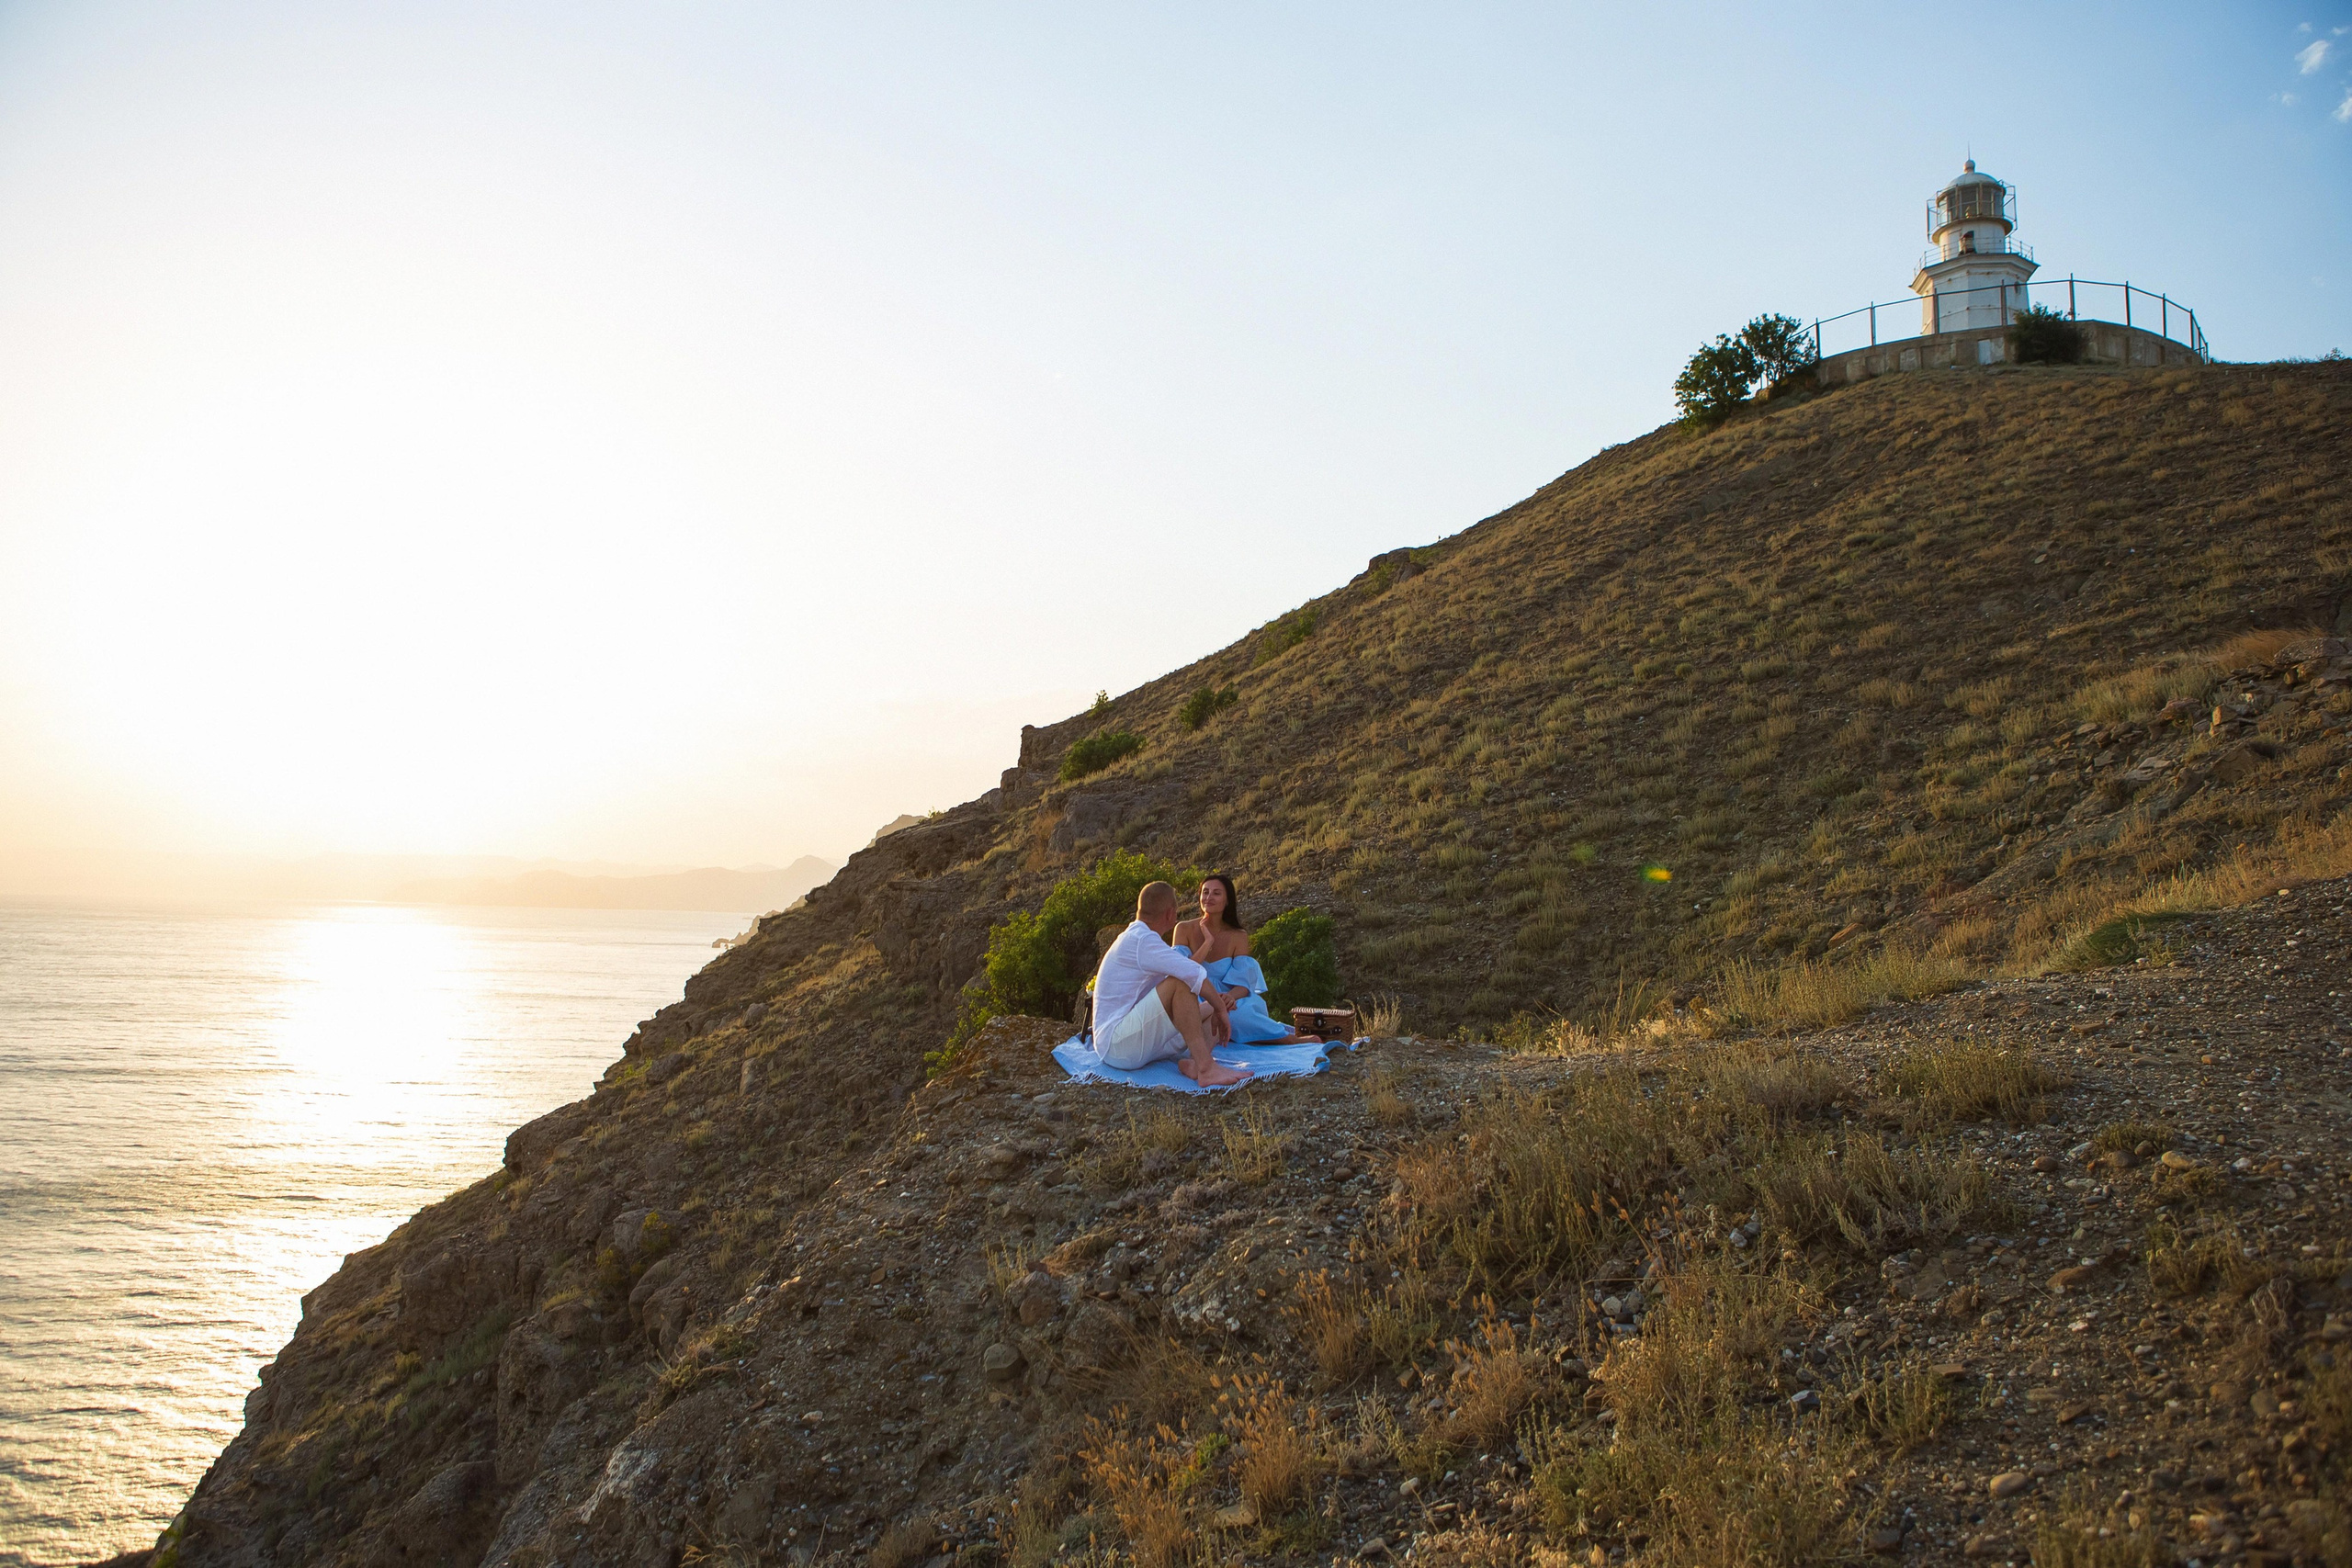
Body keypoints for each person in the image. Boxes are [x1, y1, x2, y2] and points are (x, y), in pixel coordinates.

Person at [1091, 881, 1253, 1087]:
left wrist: (1219, 1006)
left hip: (1132, 1040)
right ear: (1170, 914)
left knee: (1214, 1003)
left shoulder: (1144, 938)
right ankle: (1207, 1068)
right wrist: (1220, 1008)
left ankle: (1195, 1063)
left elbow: (1187, 967)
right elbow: (1190, 972)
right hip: (1117, 1045)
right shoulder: (1142, 940)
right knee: (1182, 984)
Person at [1171, 874, 1318, 1044]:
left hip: (1229, 999)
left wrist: (1229, 997)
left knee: (1240, 1016)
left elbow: (1243, 984)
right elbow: (1180, 971)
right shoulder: (1183, 929)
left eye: (1216, 893)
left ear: (1227, 901)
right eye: (1205, 892)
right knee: (1191, 1015)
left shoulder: (1238, 936)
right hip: (1194, 995)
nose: (1208, 897)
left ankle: (1289, 1039)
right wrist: (1207, 942)